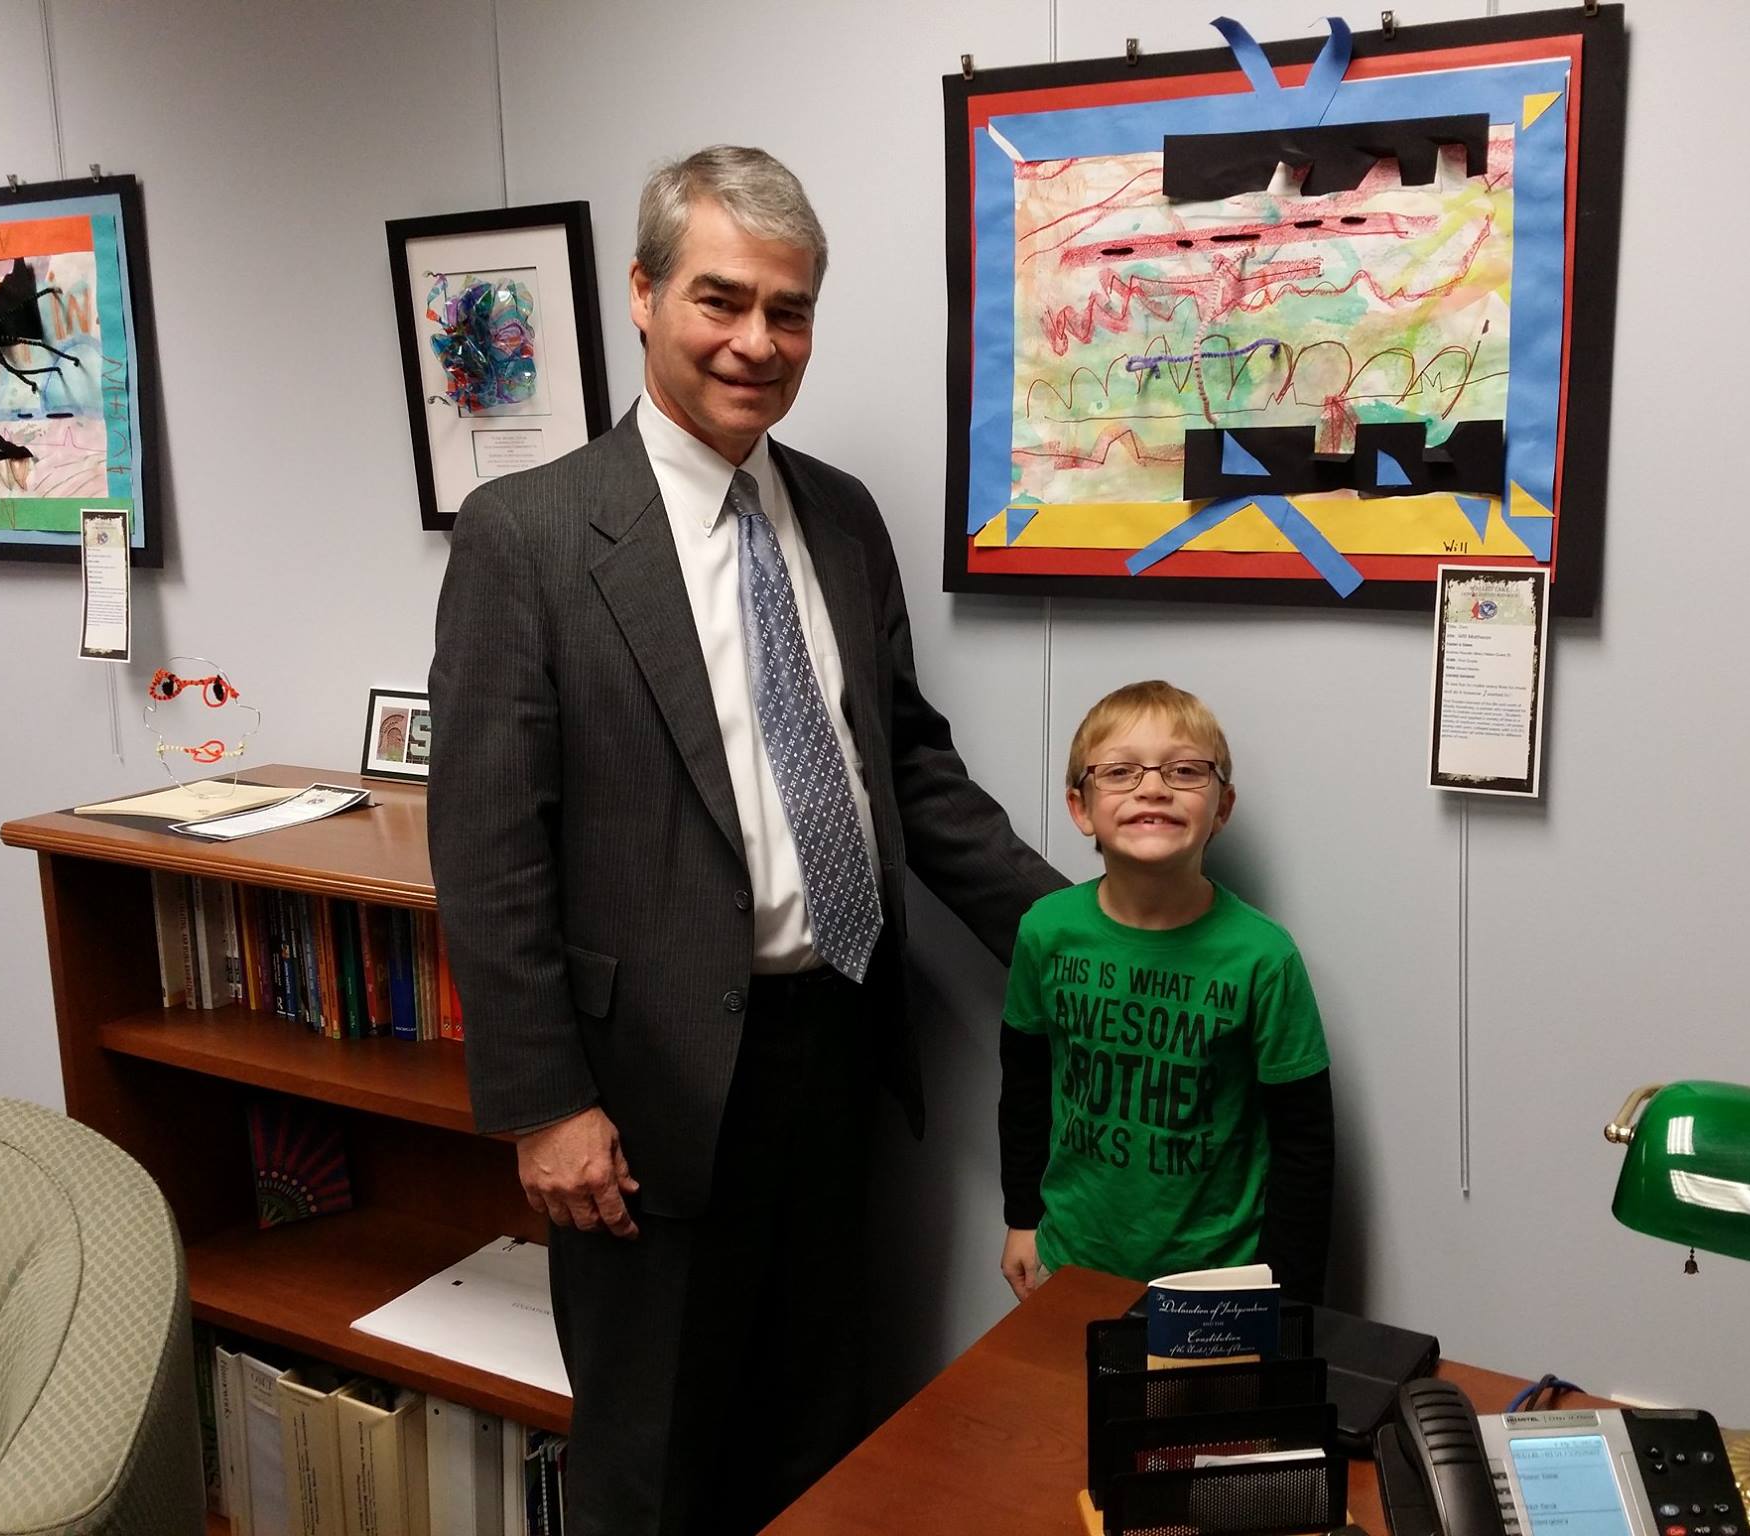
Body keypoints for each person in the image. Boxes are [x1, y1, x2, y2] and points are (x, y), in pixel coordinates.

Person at [427, 145, 1061, 1536]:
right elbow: (486, 848)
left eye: (790, 310)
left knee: (824, 1436)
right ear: (644, 295)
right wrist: (542, 1105)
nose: (756, 342)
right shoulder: (527, 537)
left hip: (836, 1047)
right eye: (722, 300)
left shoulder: (837, 514)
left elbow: (905, 766)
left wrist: (1077, 941)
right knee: (654, 1465)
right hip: (641, 1095)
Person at [996, 679, 1335, 1305]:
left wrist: (1283, 1292)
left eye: (1184, 771)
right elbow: (1023, 1088)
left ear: (1222, 807)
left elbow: (1305, 1146)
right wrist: (1021, 1217)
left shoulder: (1264, 957)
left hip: (1215, 1280)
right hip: (1070, 1259)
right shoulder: (1045, 931)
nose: (1153, 787)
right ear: (1080, 807)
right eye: (1121, 772)